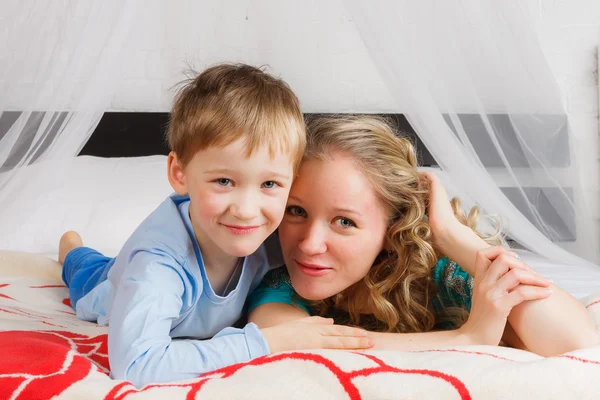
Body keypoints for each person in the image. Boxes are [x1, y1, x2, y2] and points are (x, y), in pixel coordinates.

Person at [58, 64, 371, 388]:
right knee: (85, 270)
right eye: (224, 181)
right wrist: (265, 342)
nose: (247, 211)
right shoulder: (156, 268)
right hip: (105, 287)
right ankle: (71, 247)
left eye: (269, 184)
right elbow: (135, 365)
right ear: (180, 174)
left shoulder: (275, 230)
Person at [247, 115, 600, 356]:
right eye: (296, 211)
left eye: (344, 222)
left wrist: (454, 237)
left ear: (392, 229)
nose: (308, 244)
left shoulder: (441, 272)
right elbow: (294, 342)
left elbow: (579, 344)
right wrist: (466, 338)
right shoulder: (278, 284)